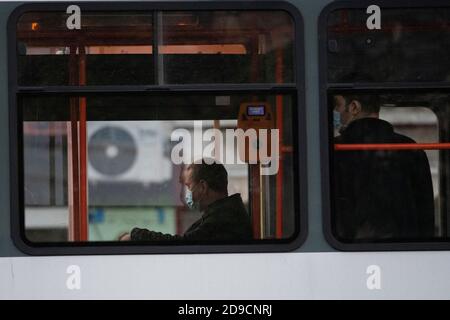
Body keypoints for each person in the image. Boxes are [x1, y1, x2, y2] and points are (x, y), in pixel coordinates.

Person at [333, 93, 435, 240]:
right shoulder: (409, 147)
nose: (335, 112)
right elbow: (425, 211)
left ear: (354, 107)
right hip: (406, 248)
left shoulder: (334, 150)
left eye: (337, 105)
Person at [120, 159, 253, 241]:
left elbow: (184, 244)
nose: (187, 193)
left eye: (189, 186)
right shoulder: (222, 213)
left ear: (203, 187)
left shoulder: (223, 220)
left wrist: (136, 235)